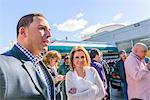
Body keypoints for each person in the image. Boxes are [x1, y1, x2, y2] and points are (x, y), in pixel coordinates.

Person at [0, 13, 55, 100]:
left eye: (49, 30)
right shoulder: (2, 65)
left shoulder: (41, 65)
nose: (49, 34)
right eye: (42, 28)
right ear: (23, 32)